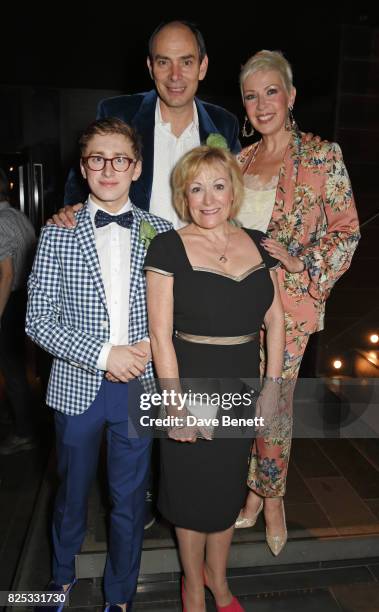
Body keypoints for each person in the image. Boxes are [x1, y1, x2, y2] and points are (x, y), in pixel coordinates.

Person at [26, 118, 171, 612]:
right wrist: (105, 355)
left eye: (120, 159)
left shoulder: (163, 231)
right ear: (84, 167)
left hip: (140, 385)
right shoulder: (57, 233)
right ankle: (60, 578)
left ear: (136, 168)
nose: (108, 168)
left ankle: (120, 596)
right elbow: (37, 320)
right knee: (70, 495)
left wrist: (146, 351)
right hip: (75, 385)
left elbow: (179, 313)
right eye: (97, 159)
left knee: (129, 503)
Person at [144, 145, 285, 611]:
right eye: (197, 188)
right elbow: (160, 337)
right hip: (191, 385)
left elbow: (276, 322)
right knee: (189, 494)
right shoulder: (167, 246)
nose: (208, 198)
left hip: (242, 386)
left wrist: (271, 387)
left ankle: (220, 585)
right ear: (184, 195)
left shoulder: (260, 243)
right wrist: (174, 403)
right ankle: (193, 589)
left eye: (218, 186)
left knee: (225, 492)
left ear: (234, 192)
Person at [234, 50, 360, 555]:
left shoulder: (320, 155)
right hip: (235, 300)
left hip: (288, 302)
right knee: (245, 397)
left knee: (274, 402)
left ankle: (272, 499)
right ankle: (251, 490)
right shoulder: (237, 160)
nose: (262, 104)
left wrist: (300, 260)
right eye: (250, 94)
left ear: (290, 96)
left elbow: (347, 233)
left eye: (271, 91)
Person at [64, 20, 241, 227]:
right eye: (164, 62)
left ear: (202, 67)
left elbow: (237, 195)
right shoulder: (118, 114)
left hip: (204, 256)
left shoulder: (224, 124)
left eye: (186, 62)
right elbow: (81, 180)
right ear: (151, 67)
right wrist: (70, 211)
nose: (175, 76)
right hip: (136, 257)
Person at [0, 168, 37, 455]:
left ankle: (24, 432)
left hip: (9, 301)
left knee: (12, 370)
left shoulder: (0, 222)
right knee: (20, 367)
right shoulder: (18, 215)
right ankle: (28, 422)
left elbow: (5, 274)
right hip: (25, 297)